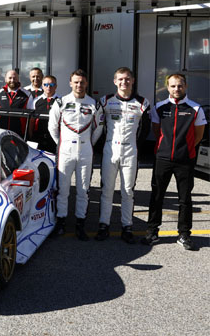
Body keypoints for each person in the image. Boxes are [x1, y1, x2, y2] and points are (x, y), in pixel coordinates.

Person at [144, 74, 206, 250]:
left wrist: (184, 150)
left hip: (185, 160)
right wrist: (165, 148)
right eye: (172, 86)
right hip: (162, 159)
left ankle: (184, 234)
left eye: (179, 86)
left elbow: (199, 135)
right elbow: (157, 133)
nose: (176, 89)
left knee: (185, 199)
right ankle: (152, 231)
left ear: (185, 86)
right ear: (167, 87)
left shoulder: (195, 108)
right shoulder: (159, 107)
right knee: (157, 196)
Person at [97, 67, 151, 243]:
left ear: (133, 81)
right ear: (115, 81)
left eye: (127, 79)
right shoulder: (105, 101)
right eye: (120, 79)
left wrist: (137, 147)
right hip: (110, 149)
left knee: (128, 191)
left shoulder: (143, 103)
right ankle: (103, 224)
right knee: (107, 190)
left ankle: (127, 226)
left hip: (130, 151)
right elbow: (98, 126)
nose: (124, 82)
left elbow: (145, 130)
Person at [48, 69, 103, 240]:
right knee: (62, 189)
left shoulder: (94, 104)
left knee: (83, 190)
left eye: (82, 82)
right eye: (76, 82)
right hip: (65, 150)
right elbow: (52, 127)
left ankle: (80, 224)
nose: (79, 85)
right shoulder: (60, 102)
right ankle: (61, 222)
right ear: (70, 83)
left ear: (86, 84)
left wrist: (87, 144)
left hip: (86, 150)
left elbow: (98, 129)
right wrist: (62, 143)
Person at [0, 69, 33, 136]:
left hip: (19, 132)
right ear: (5, 79)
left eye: (14, 78)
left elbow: (31, 116)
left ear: (18, 79)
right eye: (10, 78)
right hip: (1, 131)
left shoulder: (27, 94)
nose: (12, 80)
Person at [30, 76, 59, 153]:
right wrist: (30, 135)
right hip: (38, 136)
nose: (48, 87)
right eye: (45, 84)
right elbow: (31, 120)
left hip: (54, 137)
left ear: (56, 86)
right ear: (42, 86)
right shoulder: (36, 100)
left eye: (51, 85)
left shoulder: (60, 101)